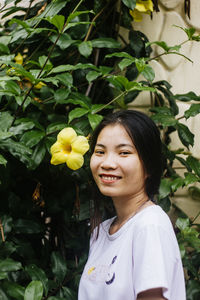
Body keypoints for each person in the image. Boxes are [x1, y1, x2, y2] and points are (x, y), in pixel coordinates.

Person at [78, 110, 186, 300]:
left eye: (124, 153)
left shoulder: (149, 225)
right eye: (100, 152)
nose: (107, 163)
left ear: (149, 166)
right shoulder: (102, 231)